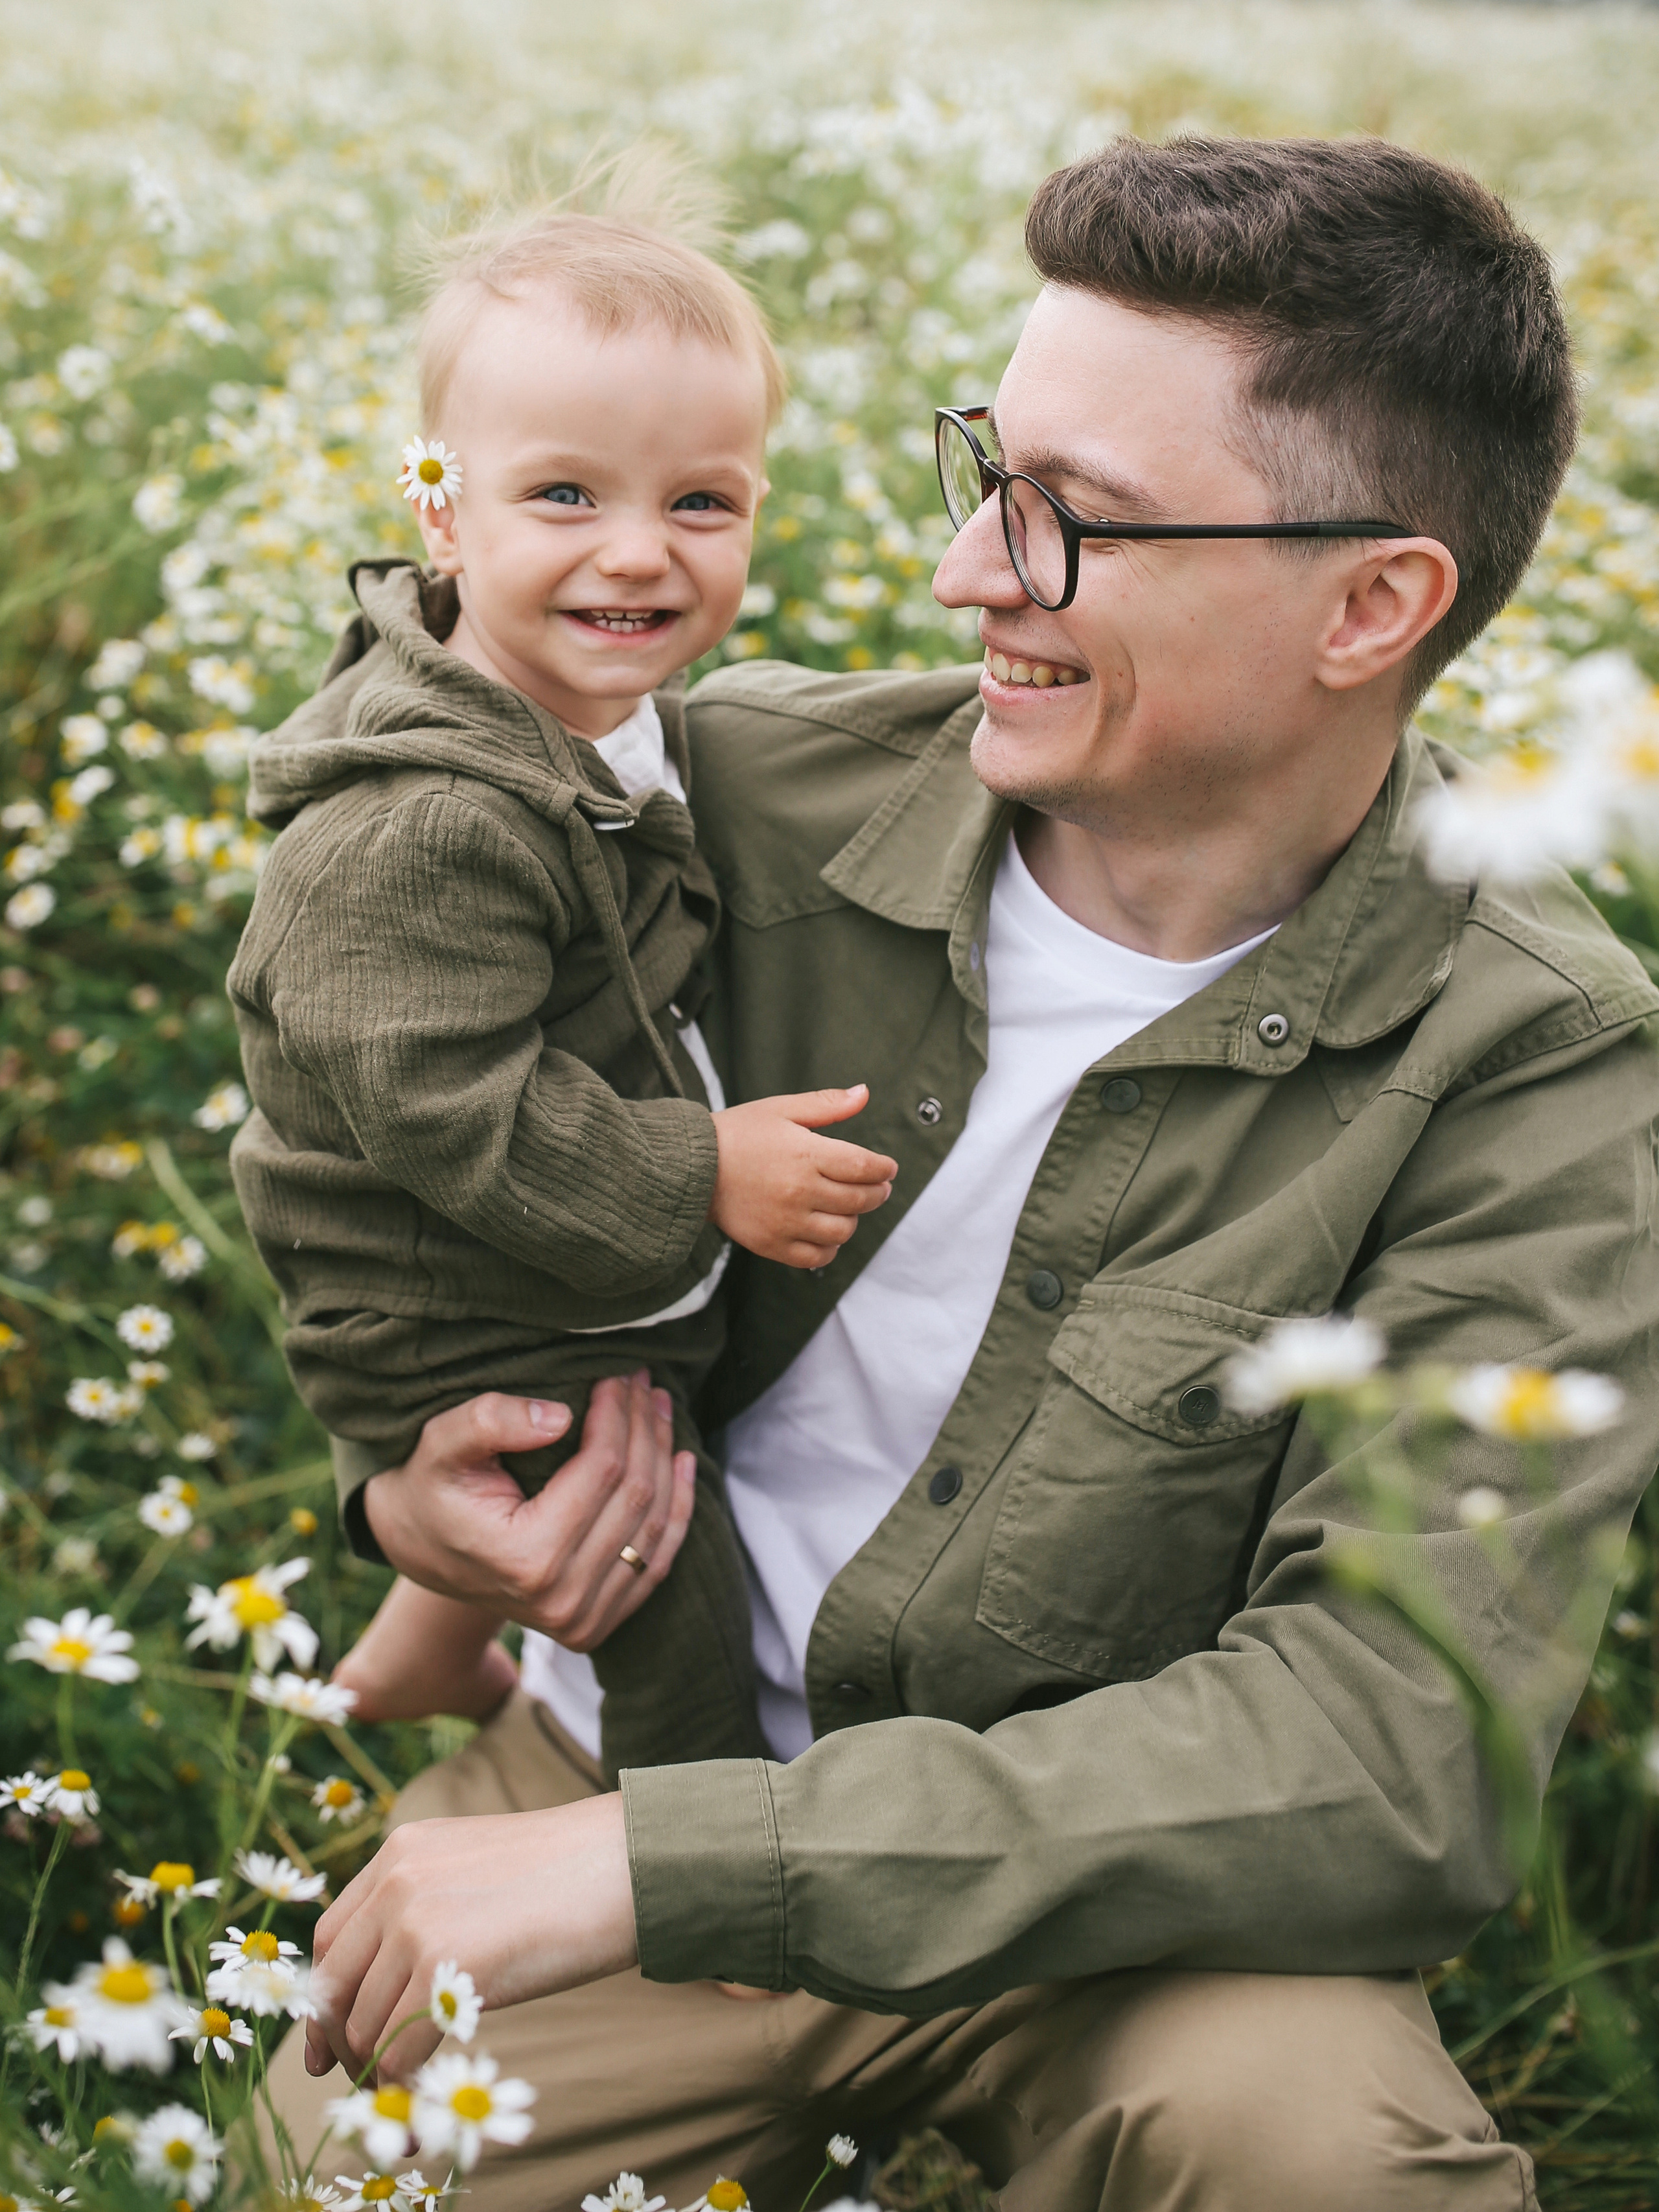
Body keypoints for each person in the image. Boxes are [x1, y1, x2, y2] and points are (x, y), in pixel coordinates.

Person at [272, 137, 1659, 2211]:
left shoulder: (1542, 1059)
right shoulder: (720, 789)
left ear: (1373, 602)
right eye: (984, 475)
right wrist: (414, 1502)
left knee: (1333, 2171)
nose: (969, 574)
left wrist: (677, 1865)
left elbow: (1386, 1757)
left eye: (1074, 522)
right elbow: (374, 1089)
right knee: (334, 2167)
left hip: (1121, 1920)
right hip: (626, 1752)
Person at [226, 186, 898, 1783]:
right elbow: (441, 1103)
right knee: (654, 1562)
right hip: (441, 1290)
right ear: (443, 514)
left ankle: (417, 1647)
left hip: (510, 1249)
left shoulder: (574, 718)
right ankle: (694, 1845)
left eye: (702, 505)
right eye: (565, 494)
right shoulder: (429, 819)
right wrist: (700, 1168)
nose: (636, 553)